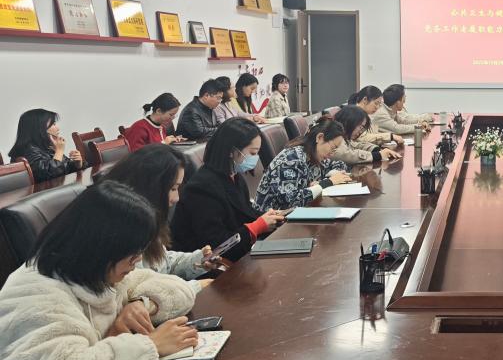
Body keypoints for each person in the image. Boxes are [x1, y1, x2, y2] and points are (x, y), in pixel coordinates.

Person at [0, 181, 199, 360]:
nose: (138, 260)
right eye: (133, 253)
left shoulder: (100, 274)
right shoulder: (34, 296)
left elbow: (180, 291)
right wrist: (151, 345)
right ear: (101, 246)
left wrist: (142, 303)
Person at [103, 145, 220, 293]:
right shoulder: (120, 232)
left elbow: (164, 264)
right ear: (151, 187)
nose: (177, 198)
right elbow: (136, 291)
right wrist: (193, 287)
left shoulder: (149, 221)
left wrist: (197, 260)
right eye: (173, 188)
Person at [170, 118, 287, 262]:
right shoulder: (201, 188)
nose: (256, 158)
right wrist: (255, 228)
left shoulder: (234, 177)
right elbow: (216, 244)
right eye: (252, 153)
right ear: (232, 151)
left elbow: (243, 212)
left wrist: (267, 218)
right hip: (204, 264)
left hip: (235, 253)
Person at [253, 119, 352, 211]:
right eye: (333, 148)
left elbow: (339, 164)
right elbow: (290, 201)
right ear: (319, 138)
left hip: (298, 213)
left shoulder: (315, 153)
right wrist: (324, 184)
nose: (332, 154)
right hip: (272, 218)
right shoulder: (291, 159)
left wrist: (332, 174)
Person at [8, 109, 82, 182]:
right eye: (53, 124)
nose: (58, 128)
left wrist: (77, 164)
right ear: (40, 128)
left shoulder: (44, 146)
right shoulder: (28, 151)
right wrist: (59, 151)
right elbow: (51, 175)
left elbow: (65, 168)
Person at [330, 105, 402, 164]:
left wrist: (376, 149)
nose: (360, 132)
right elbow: (344, 155)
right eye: (360, 127)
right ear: (349, 122)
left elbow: (355, 145)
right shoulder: (334, 136)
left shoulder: (344, 135)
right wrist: (377, 155)